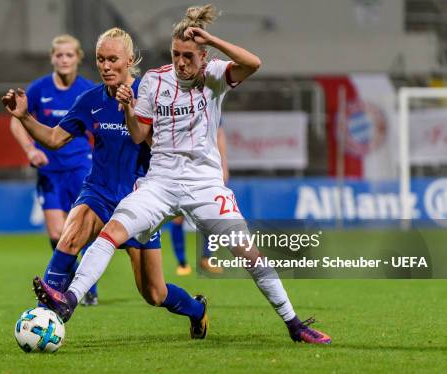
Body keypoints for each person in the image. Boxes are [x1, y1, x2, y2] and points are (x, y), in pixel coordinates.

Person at [34, 5, 331, 345]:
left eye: (188, 55)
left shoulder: (215, 75)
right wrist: (130, 108)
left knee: (247, 252)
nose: (181, 62)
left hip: (204, 184)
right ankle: (70, 300)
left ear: (203, 56)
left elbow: (253, 63)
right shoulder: (154, 81)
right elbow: (137, 135)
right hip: (159, 182)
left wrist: (213, 40)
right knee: (111, 232)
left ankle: (294, 324)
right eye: (176, 54)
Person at [2, 27, 208, 339]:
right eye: (101, 59)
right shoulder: (91, 100)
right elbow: (56, 138)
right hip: (99, 192)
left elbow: (161, 146)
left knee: (154, 293)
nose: (106, 66)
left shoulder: (153, 96)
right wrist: (25, 117)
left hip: (140, 202)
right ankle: (44, 315)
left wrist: (130, 110)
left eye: (113, 59)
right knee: (70, 235)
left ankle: (196, 309)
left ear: (130, 60)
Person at [9, 35, 99, 304]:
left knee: (83, 232)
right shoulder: (38, 89)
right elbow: (17, 122)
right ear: (52, 58)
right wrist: (30, 150)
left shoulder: (88, 89)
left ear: (77, 58)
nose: (64, 59)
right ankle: (70, 283)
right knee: (56, 234)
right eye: (59, 55)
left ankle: (86, 288)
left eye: (69, 55)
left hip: (81, 167)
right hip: (49, 172)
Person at [170, 125, 228, 275]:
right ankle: (182, 263)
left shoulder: (209, 104)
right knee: (178, 216)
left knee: (210, 215)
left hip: (205, 169)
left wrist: (224, 166)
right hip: (179, 167)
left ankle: (206, 258)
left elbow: (219, 134)